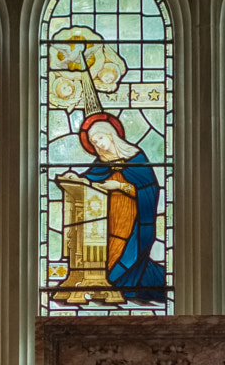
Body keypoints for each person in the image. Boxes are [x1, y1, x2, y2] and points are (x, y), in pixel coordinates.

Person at [64, 112, 165, 302]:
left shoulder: (135, 157)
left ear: (110, 134)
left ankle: (127, 288)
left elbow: (150, 189)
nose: (99, 144)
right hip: (112, 222)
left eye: (100, 138)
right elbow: (91, 178)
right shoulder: (103, 162)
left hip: (135, 222)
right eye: (94, 142)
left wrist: (119, 186)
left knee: (129, 259)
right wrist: (77, 178)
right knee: (112, 261)